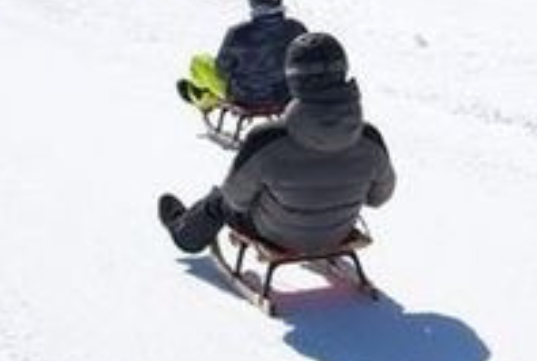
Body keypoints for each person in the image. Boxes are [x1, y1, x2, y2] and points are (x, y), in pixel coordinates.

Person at [159, 32, 394, 256]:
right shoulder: (370, 137)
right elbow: (379, 198)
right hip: (338, 231)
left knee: (219, 200)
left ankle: (184, 233)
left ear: (293, 79)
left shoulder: (267, 139)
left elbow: (235, 199)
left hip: (275, 234)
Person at [175, 0, 308, 112]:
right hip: (287, 97)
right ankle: (205, 95)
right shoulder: (297, 28)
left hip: (246, 98)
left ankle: (205, 99)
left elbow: (221, 70)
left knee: (199, 61)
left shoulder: (238, 33)